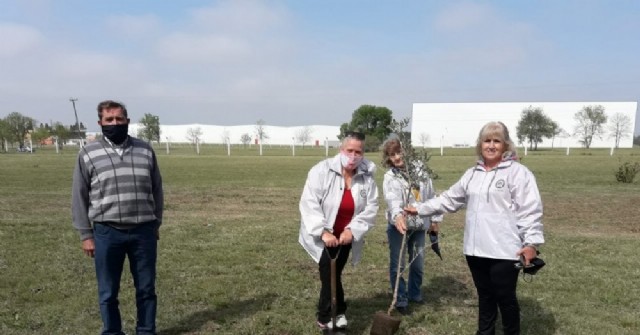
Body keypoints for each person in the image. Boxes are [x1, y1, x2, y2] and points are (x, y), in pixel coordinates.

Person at [405, 121, 544, 335]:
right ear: (480, 145)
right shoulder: (472, 174)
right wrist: (420, 209)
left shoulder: (518, 173)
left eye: (496, 141)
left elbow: (530, 210)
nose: (491, 145)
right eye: (486, 140)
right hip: (475, 249)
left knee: (505, 298)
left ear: (505, 145)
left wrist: (531, 243)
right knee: (485, 296)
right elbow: (450, 199)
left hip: (505, 251)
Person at [72, 100, 164, 335]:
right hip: (106, 232)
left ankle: (146, 330)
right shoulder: (88, 153)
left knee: (146, 288)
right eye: (109, 120)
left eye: (119, 119)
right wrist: (86, 234)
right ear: (100, 123)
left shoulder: (145, 150)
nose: (115, 123)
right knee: (108, 291)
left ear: (127, 121)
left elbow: (157, 189)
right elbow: (79, 196)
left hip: (143, 231)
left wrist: (156, 223)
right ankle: (112, 331)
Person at [299, 131, 379, 330]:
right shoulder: (321, 171)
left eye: (358, 152)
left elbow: (371, 207)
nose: (353, 156)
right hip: (323, 234)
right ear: (341, 149)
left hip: (346, 236)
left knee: (333, 272)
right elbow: (309, 203)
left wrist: (352, 230)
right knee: (328, 269)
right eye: (349, 150)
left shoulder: (367, 177)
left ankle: (333, 312)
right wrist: (323, 231)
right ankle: (330, 314)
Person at [381, 137, 442, 315]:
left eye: (399, 152)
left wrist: (435, 220)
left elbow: (431, 196)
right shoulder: (390, 176)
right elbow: (392, 199)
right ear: (388, 158)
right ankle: (400, 299)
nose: (397, 157)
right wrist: (398, 216)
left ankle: (415, 293)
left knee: (417, 263)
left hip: (420, 226)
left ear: (406, 152)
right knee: (397, 264)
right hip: (398, 227)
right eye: (392, 155)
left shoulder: (421, 172)